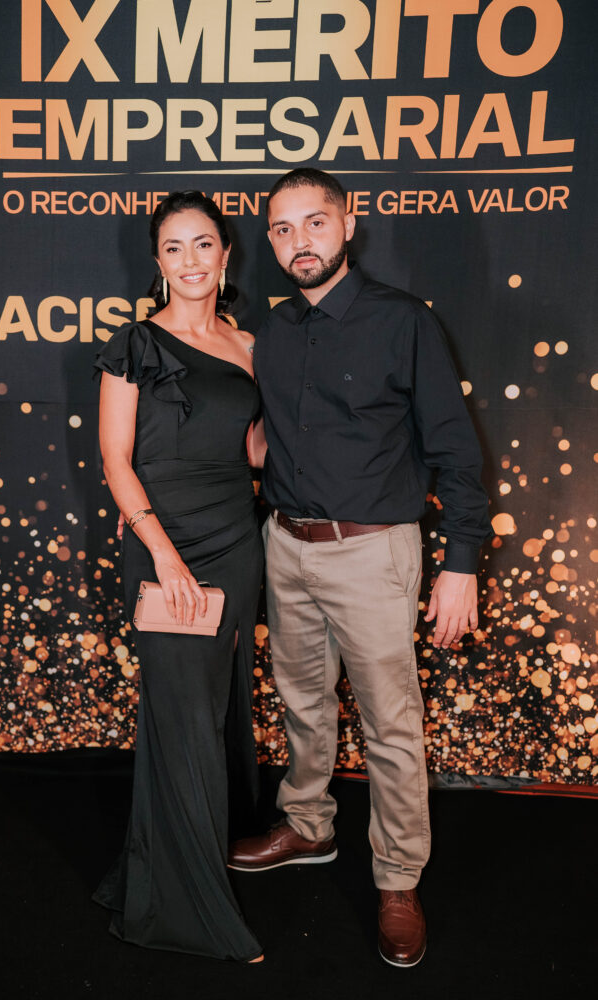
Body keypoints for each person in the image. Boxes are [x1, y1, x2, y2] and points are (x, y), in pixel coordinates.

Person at [228, 168, 491, 967]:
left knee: (390, 725)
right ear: (270, 241)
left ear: (348, 223)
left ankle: (399, 878)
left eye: (314, 222)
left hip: (374, 552)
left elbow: (455, 449)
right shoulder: (272, 332)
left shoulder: (402, 321)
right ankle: (309, 826)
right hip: (286, 545)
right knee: (303, 703)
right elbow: (264, 437)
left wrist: (461, 564)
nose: (299, 241)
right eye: (282, 229)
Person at [92, 190, 265, 963]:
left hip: (235, 541)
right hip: (165, 544)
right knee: (181, 713)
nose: (190, 260)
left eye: (203, 244)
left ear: (225, 255)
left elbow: (252, 450)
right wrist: (161, 553)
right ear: (157, 261)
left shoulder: (249, 345)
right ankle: (189, 913)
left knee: (212, 709)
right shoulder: (135, 343)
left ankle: (152, 871)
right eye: (173, 247)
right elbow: (115, 460)